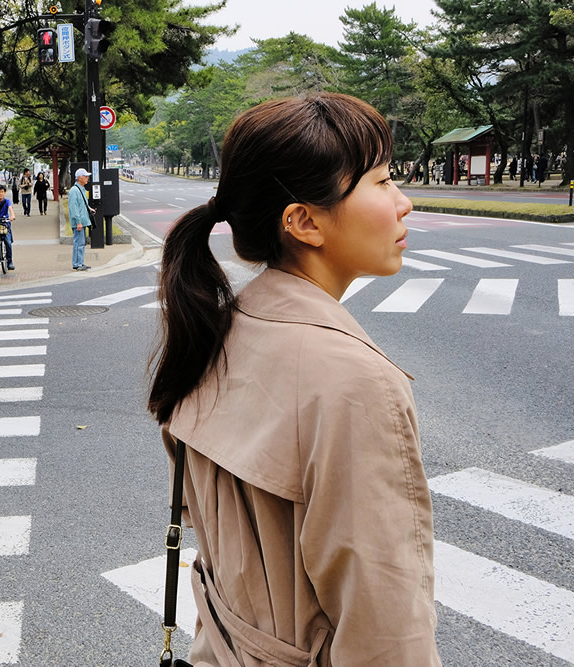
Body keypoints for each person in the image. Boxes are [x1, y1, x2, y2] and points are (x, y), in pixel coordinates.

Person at [149, 93, 440, 666]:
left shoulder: (220, 329)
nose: (404, 202)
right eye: (381, 182)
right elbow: (385, 631)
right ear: (304, 221)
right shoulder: (355, 383)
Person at [68, 168, 93, 271]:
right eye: (85, 176)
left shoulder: (81, 188)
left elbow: (82, 204)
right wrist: (78, 221)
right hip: (79, 222)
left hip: (82, 221)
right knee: (79, 243)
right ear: (79, 178)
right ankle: (77, 264)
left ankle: (80, 262)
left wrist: (89, 208)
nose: (87, 178)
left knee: (81, 243)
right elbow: (73, 208)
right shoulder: (74, 190)